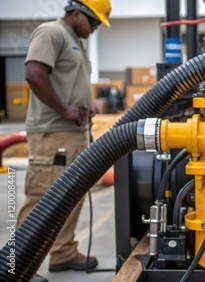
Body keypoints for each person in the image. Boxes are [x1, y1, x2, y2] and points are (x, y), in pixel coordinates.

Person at [17, 1, 111, 281]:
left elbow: (67, 81)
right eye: (93, 22)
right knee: (41, 198)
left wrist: (85, 104)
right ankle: (17, 265)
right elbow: (34, 74)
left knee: (73, 195)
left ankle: (63, 253)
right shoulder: (51, 32)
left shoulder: (76, 41)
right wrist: (64, 109)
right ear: (76, 13)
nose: (94, 29)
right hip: (51, 132)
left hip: (73, 133)